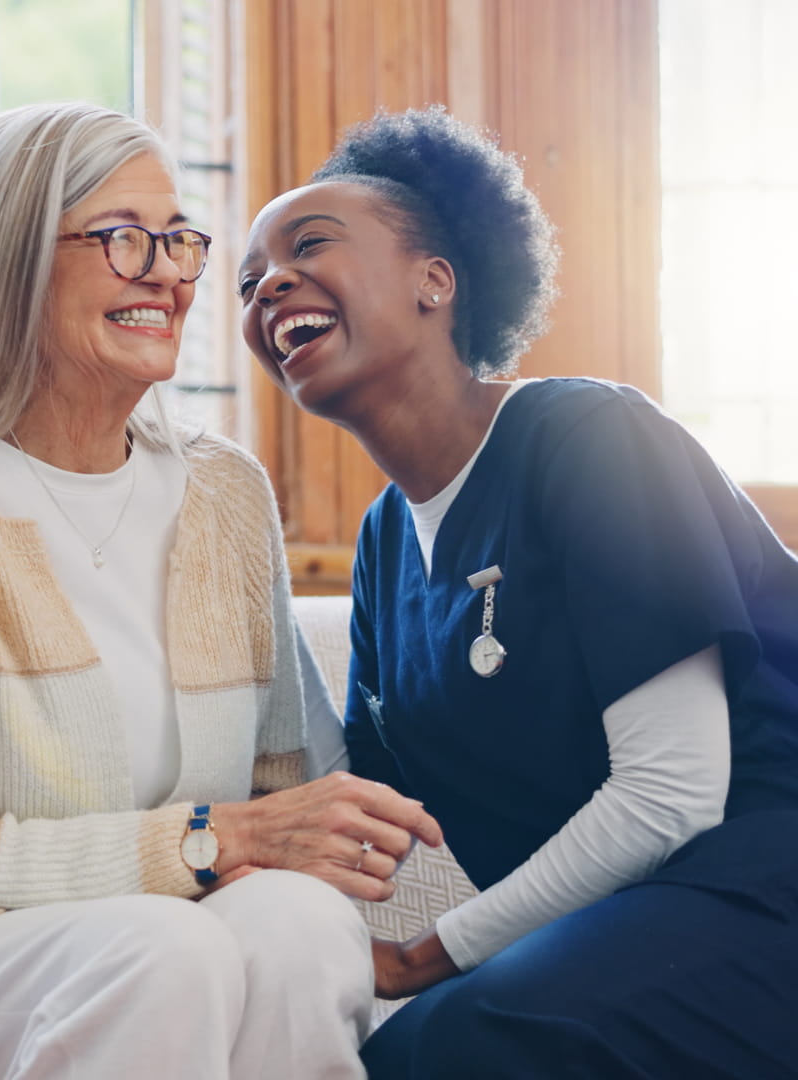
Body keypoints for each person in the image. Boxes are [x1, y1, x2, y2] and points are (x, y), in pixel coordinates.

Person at [0, 101, 443, 1080]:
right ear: (9, 258)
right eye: (122, 238)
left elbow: (294, 800)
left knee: (298, 917)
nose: (169, 273)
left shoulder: (222, 491)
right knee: (159, 947)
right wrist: (205, 840)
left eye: (180, 240)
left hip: (136, 953)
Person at [239, 104, 798, 1078]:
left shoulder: (585, 435)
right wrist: (226, 548)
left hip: (757, 884)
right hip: (625, 927)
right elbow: (360, 805)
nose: (269, 284)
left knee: (446, 1045)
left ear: (435, 281)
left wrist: (426, 954)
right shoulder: (381, 546)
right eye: (248, 283)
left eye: (309, 244)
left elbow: (673, 793)